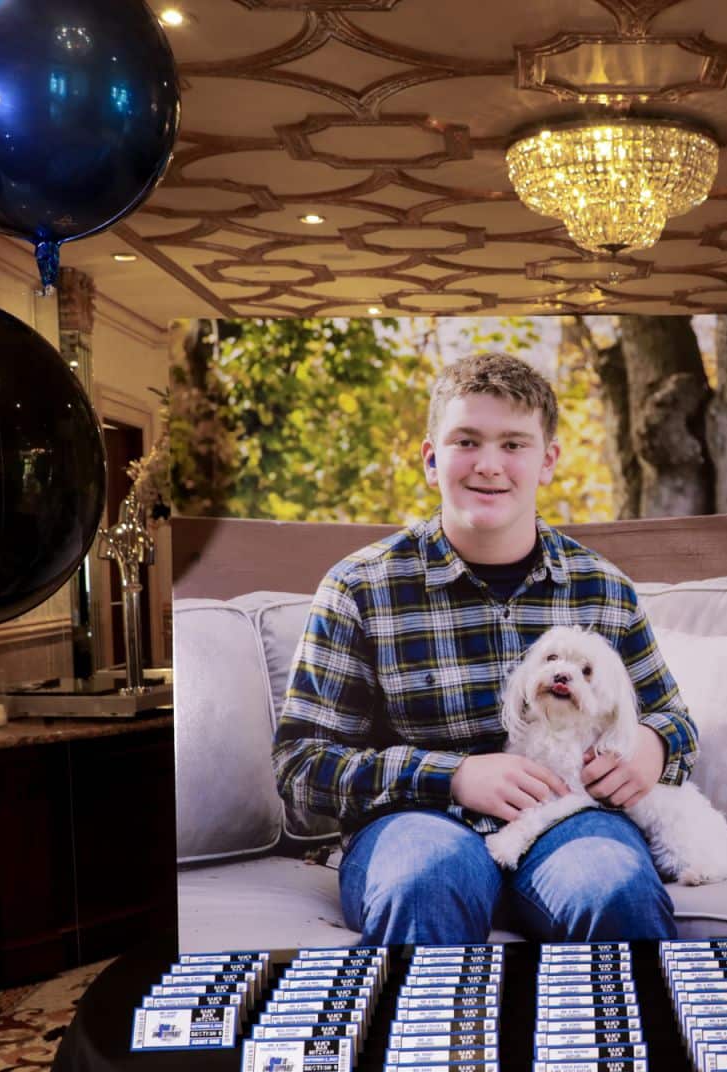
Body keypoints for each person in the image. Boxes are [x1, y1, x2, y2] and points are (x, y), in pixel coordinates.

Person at [272, 352, 698, 944]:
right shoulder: (360, 588)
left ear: (547, 461)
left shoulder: (603, 588)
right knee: (426, 883)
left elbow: (674, 718)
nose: (489, 465)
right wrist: (452, 775)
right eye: (466, 441)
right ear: (431, 459)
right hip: (416, 823)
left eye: (514, 444)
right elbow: (301, 764)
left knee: (614, 888)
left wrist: (655, 744)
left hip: (571, 819)